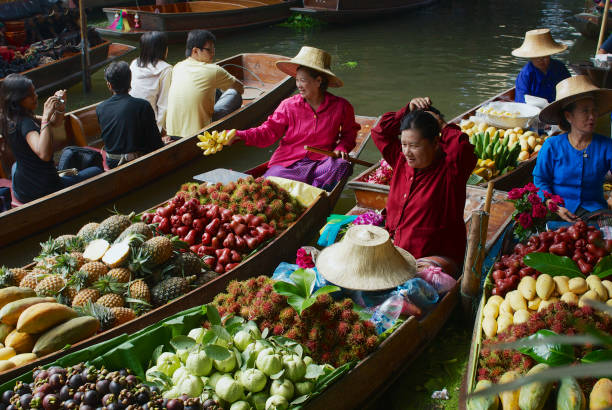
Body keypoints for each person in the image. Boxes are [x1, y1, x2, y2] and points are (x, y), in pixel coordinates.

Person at [227, 46, 360, 191]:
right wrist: (240, 134)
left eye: (302, 80)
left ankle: (314, 193)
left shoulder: (341, 106)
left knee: (341, 166)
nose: (298, 85)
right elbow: (267, 132)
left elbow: (350, 134)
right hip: (288, 164)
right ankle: (310, 190)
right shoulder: (288, 105)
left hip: (320, 164)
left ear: (319, 81)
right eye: (297, 80)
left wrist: (342, 147)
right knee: (271, 180)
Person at [371, 97, 477, 276]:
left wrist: (443, 125)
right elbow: (379, 132)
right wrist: (406, 110)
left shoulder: (451, 171)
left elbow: (463, 148)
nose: (407, 152)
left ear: (436, 143)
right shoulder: (400, 161)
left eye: (414, 146)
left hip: (432, 262)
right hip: (396, 252)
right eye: (404, 144)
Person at [0, 74, 103, 203]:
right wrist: (46, 117)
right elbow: (44, 154)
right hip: (45, 189)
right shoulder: (26, 123)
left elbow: (54, 123)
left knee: (16, 165)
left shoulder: (7, 118)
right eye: (30, 95)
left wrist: (60, 107)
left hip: (22, 189)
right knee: (97, 170)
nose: (35, 96)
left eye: (34, 92)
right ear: (17, 99)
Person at [534, 75, 612, 222]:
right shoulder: (552, 146)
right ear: (569, 116)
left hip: (595, 211)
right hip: (558, 211)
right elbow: (541, 181)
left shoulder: (607, 146)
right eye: (585, 111)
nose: (592, 116)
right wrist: (553, 205)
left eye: (594, 110)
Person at [166, 30, 243, 138]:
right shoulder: (213, 70)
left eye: (213, 49)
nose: (213, 53)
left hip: (173, 133)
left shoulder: (177, 67)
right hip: (200, 134)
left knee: (214, 90)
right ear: (195, 51)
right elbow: (240, 88)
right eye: (209, 50)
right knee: (234, 94)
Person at [96, 61, 164, 169]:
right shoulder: (142, 105)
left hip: (112, 162)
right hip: (137, 163)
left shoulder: (100, 108)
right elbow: (156, 144)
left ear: (109, 85)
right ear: (130, 81)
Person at [129, 31, 172, 137]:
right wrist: (158, 131)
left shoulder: (134, 63)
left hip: (130, 118)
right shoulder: (166, 69)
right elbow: (163, 104)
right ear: (162, 49)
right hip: (150, 123)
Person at [512, 28, 571, 103]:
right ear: (530, 57)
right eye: (536, 57)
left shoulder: (560, 67)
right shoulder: (525, 75)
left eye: (544, 57)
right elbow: (521, 101)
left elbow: (570, 90)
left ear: (549, 54)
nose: (541, 60)